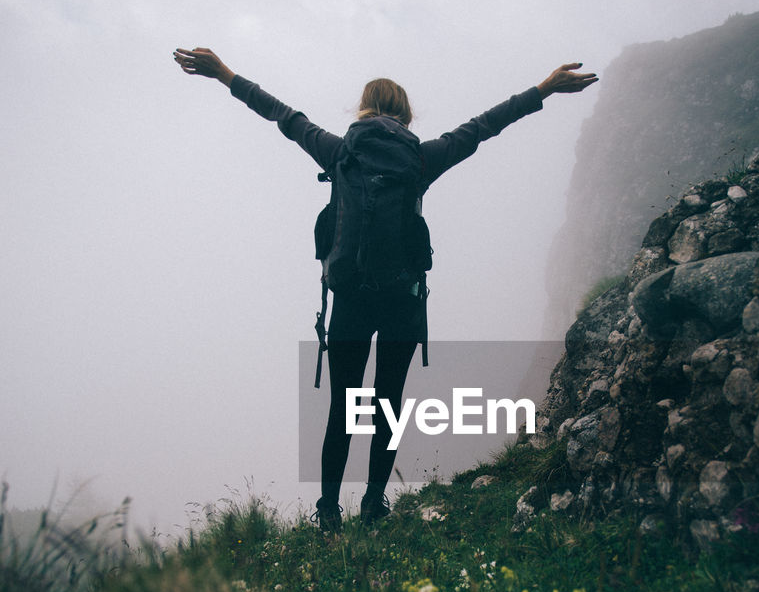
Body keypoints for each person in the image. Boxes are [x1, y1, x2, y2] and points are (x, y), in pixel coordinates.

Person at [173, 46, 598, 531]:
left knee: (344, 406)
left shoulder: (338, 152)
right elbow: (484, 125)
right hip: (401, 300)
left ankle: (328, 511)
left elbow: (282, 115)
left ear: (363, 109)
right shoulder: (420, 159)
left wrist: (224, 73)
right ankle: (374, 504)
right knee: (386, 404)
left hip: (351, 299)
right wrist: (543, 88)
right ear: (405, 113)